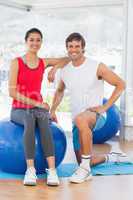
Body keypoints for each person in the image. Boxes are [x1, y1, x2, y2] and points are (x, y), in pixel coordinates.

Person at [50, 32, 132, 184]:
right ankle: (110, 157)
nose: (73, 49)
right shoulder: (65, 70)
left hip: (96, 115)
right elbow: (60, 91)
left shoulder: (96, 66)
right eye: (70, 46)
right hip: (77, 119)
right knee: (82, 160)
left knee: (82, 119)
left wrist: (105, 106)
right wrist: (53, 110)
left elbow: (121, 84)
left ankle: (86, 172)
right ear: (67, 48)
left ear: (83, 48)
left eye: (77, 46)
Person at [8, 28, 69, 186]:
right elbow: (12, 92)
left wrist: (54, 69)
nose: (35, 43)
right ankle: (31, 170)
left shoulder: (43, 62)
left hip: (38, 108)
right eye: (32, 40)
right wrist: (37, 103)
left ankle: (52, 171)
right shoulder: (16, 62)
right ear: (26, 41)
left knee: (44, 122)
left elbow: (67, 59)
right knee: (30, 118)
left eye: (38, 40)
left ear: (41, 42)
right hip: (19, 109)